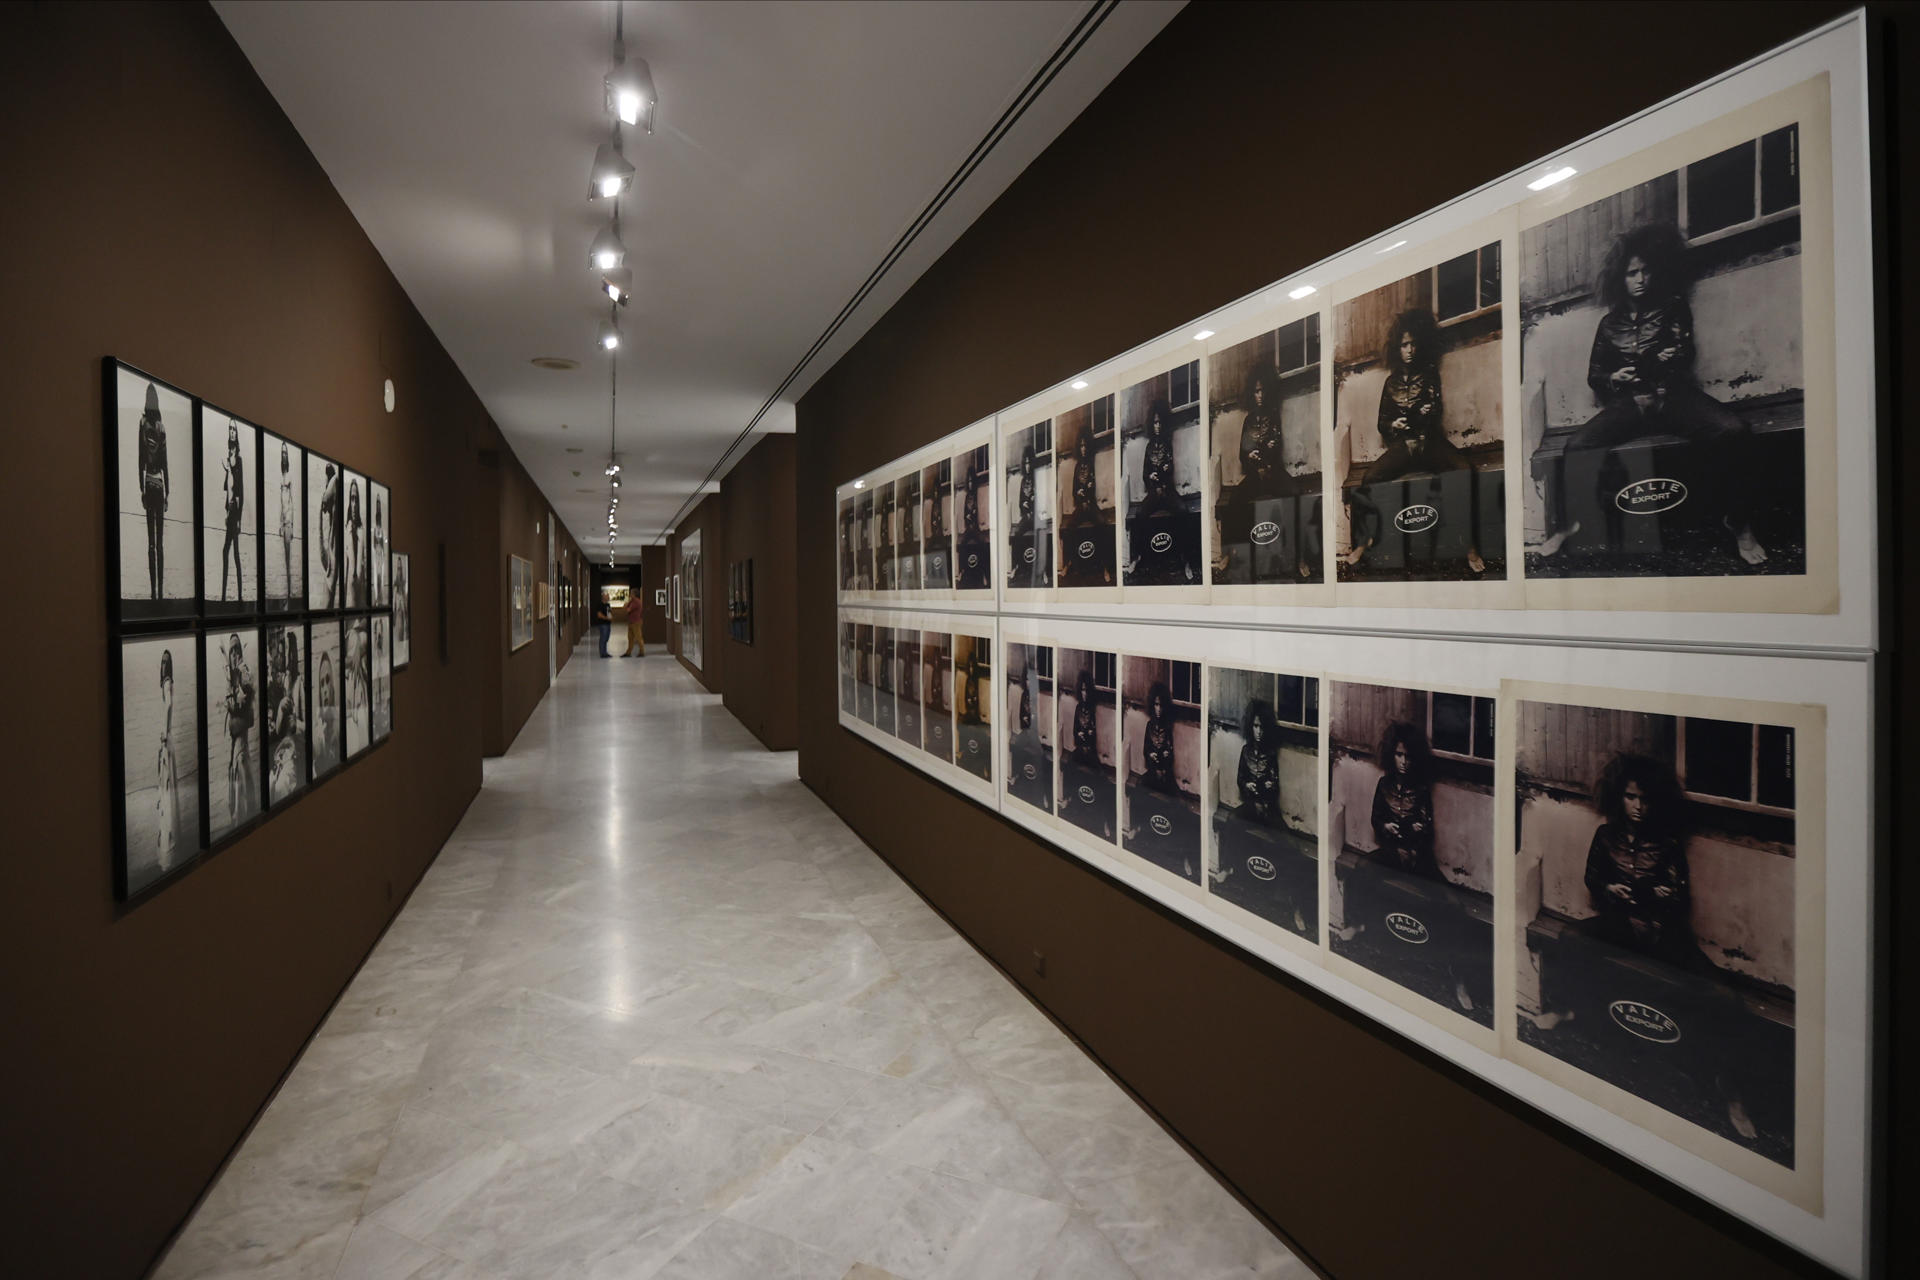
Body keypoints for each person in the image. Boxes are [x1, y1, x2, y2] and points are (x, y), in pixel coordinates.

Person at [1538, 222, 1765, 565]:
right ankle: (1571, 523)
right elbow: (1594, 376)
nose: (1640, 279)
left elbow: (1681, 354)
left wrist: (1645, 368)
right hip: (1632, 405)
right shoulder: (1609, 324)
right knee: (1577, 446)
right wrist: (1615, 377)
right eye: (1632, 273)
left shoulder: (1672, 306)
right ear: (1621, 278)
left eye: (1645, 271)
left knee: (1734, 432)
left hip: (1672, 397)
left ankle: (1739, 522)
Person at [1579, 751, 1757, 1140]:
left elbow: (1678, 898)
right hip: (1621, 928)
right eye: (1630, 797)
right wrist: (1610, 889)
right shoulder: (1605, 836)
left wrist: (1661, 897)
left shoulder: (1668, 842)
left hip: (1663, 937)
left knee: (1725, 998)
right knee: (1567, 938)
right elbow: (1593, 879)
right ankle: (1569, 1012)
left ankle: (1732, 1092)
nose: (1638, 807)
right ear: (1618, 797)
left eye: (1645, 799)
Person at [1344, 310, 1486, 574]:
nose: (1409, 350)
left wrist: (1413, 417)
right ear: (1396, 348)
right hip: (1403, 447)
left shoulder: (1429, 373)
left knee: (1464, 470)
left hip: (1429, 443)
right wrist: (1393, 425)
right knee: (1368, 480)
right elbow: (1382, 422)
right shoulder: (1390, 383)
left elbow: (1433, 410)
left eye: (1413, 344)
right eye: (1403, 345)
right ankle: (1364, 542)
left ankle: (1469, 546)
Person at [1370, 719, 1439, 881]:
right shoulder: (1384, 785)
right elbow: (1375, 819)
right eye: (1399, 755)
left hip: (1416, 856)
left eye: (1408, 756)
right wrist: (1386, 827)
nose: (1403, 762)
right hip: (1391, 852)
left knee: (1444, 896)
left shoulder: (1421, 789)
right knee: (1359, 872)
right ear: (1391, 754)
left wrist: (1418, 829)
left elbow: (1428, 829)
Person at [138, 383, 170, 600]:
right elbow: (165, 462)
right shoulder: (161, 427)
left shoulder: (144, 424)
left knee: (152, 543)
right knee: (159, 543)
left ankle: (153, 591)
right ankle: (158, 590)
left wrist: (142, 488)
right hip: (158, 483)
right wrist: (167, 491)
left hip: (150, 483)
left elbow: (141, 458)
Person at [222, 634, 257, 821]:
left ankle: (245, 819)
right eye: (231, 650)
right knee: (237, 775)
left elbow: (242, 700)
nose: (234, 653)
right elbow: (231, 702)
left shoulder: (243, 671)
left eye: (237, 649)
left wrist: (234, 701)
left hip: (241, 742)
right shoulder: (232, 676)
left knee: (242, 772)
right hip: (236, 740)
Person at [1236, 698, 1281, 824]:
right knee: (1231, 820)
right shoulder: (1245, 751)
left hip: (1267, 807)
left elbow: (1275, 785)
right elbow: (1240, 779)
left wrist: (1269, 785)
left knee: (1284, 838)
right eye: (1256, 726)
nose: (1259, 731)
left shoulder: (1271, 754)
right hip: (1250, 805)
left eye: (1262, 727)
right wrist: (1247, 785)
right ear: (1250, 726)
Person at [154, 648, 178, 870]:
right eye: (161, 662)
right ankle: (170, 839)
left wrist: (164, 730)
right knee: (168, 788)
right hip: (168, 739)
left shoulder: (167, 682)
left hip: (166, 739)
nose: (163, 666)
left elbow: (168, 704)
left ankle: (167, 845)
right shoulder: (168, 682)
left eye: (165, 663)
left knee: (166, 787)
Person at [220, 422, 245, 600]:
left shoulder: (239, 461)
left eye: (234, 429)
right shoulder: (229, 459)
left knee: (233, 553)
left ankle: (238, 595)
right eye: (230, 429)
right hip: (229, 511)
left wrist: (238, 519)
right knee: (227, 552)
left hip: (235, 511)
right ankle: (226, 595)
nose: (232, 432)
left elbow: (240, 489)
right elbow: (226, 487)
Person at [1140, 681, 1178, 792]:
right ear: (1152, 705)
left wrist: (1166, 756)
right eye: (1156, 705)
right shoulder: (1149, 725)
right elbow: (1145, 749)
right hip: (1152, 770)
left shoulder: (1167, 727)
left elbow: (1170, 752)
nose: (1159, 709)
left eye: (1161, 705)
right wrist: (1150, 755)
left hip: (1165, 771)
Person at [319, 463, 341, 607]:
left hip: (334, 536)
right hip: (334, 534)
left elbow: (324, 501)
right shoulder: (336, 481)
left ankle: (328, 605)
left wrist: (327, 484)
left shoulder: (334, 481)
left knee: (331, 571)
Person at [277, 442, 295, 599]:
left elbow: (291, 501)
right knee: (283, 558)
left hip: (288, 521)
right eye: (282, 453)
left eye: (285, 453)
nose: (284, 456)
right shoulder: (280, 477)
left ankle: (289, 592)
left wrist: (292, 524)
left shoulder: (289, 477)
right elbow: (280, 502)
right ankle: (285, 592)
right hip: (283, 522)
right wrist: (279, 523)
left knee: (288, 558)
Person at [316, 651, 339, 770]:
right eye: (321, 684)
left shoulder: (341, 726)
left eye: (328, 681)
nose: (324, 690)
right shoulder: (317, 734)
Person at [345, 480, 364, 606]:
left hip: (360, 588)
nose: (354, 504)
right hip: (349, 590)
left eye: (356, 499)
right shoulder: (346, 529)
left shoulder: (361, 530)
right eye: (352, 499)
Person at [623, 589, 646, 656]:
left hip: (636, 622)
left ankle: (642, 652)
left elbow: (628, 609)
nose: (630, 594)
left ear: (634, 594)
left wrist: (626, 606)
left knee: (638, 637)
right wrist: (626, 606)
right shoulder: (632, 601)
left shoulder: (636, 602)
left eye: (631, 593)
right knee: (630, 638)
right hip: (631, 622)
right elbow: (625, 607)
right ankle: (628, 652)